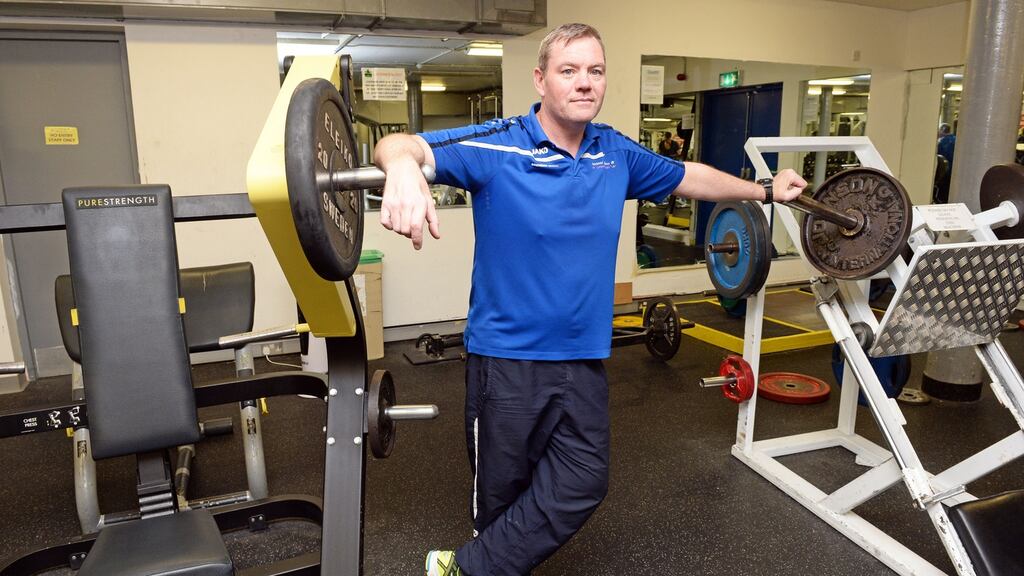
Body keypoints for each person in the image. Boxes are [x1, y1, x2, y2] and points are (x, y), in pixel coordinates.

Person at [373, 23, 806, 576]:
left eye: (595, 71)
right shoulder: (498, 145)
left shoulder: (614, 152)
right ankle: (481, 564)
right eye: (569, 70)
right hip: (507, 361)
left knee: (583, 480)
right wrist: (405, 167)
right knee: (500, 496)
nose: (584, 83)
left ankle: (465, 569)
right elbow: (400, 144)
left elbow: (687, 177)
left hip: (582, 359)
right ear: (541, 79)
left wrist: (765, 192)